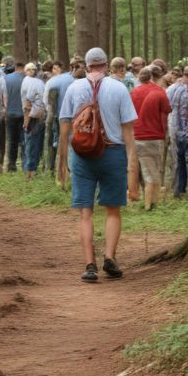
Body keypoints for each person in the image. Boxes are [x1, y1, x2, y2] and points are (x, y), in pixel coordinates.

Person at [58, 47, 138, 283]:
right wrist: (131, 160)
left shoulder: (74, 88)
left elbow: (65, 126)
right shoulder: (119, 88)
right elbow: (128, 129)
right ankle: (110, 257)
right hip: (112, 152)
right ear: (105, 65)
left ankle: (89, 264)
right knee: (112, 210)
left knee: (85, 212)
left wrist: (62, 160)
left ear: (87, 65)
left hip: (82, 155)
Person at [130, 66, 171, 210]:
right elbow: (166, 111)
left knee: (147, 170)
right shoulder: (160, 92)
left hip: (137, 136)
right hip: (154, 136)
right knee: (152, 172)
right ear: (156, 77)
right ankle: (150, 206)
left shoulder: (134, 92)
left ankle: (151, 204)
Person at [170, 65, 188, 196]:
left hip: (182, 131)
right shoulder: (183, 91)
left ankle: (181, 189)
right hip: (184, 132)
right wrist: (181, 131)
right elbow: (179, 112)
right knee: (186, 161)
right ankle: (184, 188)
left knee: (183, 161)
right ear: (184, 76)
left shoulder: (185, 89)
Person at [20, 62, 46, 181]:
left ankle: (30, 171)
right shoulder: (38, 82)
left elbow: (27, 104)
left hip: (33, 117)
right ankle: (32, 170)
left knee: (31, 144)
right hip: (37, 116)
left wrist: (26, 120)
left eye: (32, 69)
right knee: (34, 144)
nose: (31, 71)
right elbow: (29, 103)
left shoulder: (29, 81)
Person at [2, 60, 24, 172]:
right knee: (23, 139)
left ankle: (11, 164)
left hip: (9, 113)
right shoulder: (26, 79)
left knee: (11, 140)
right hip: (23, 114)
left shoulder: (6, 78)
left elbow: (3, 96)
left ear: (15, 66)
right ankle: (25, 163)